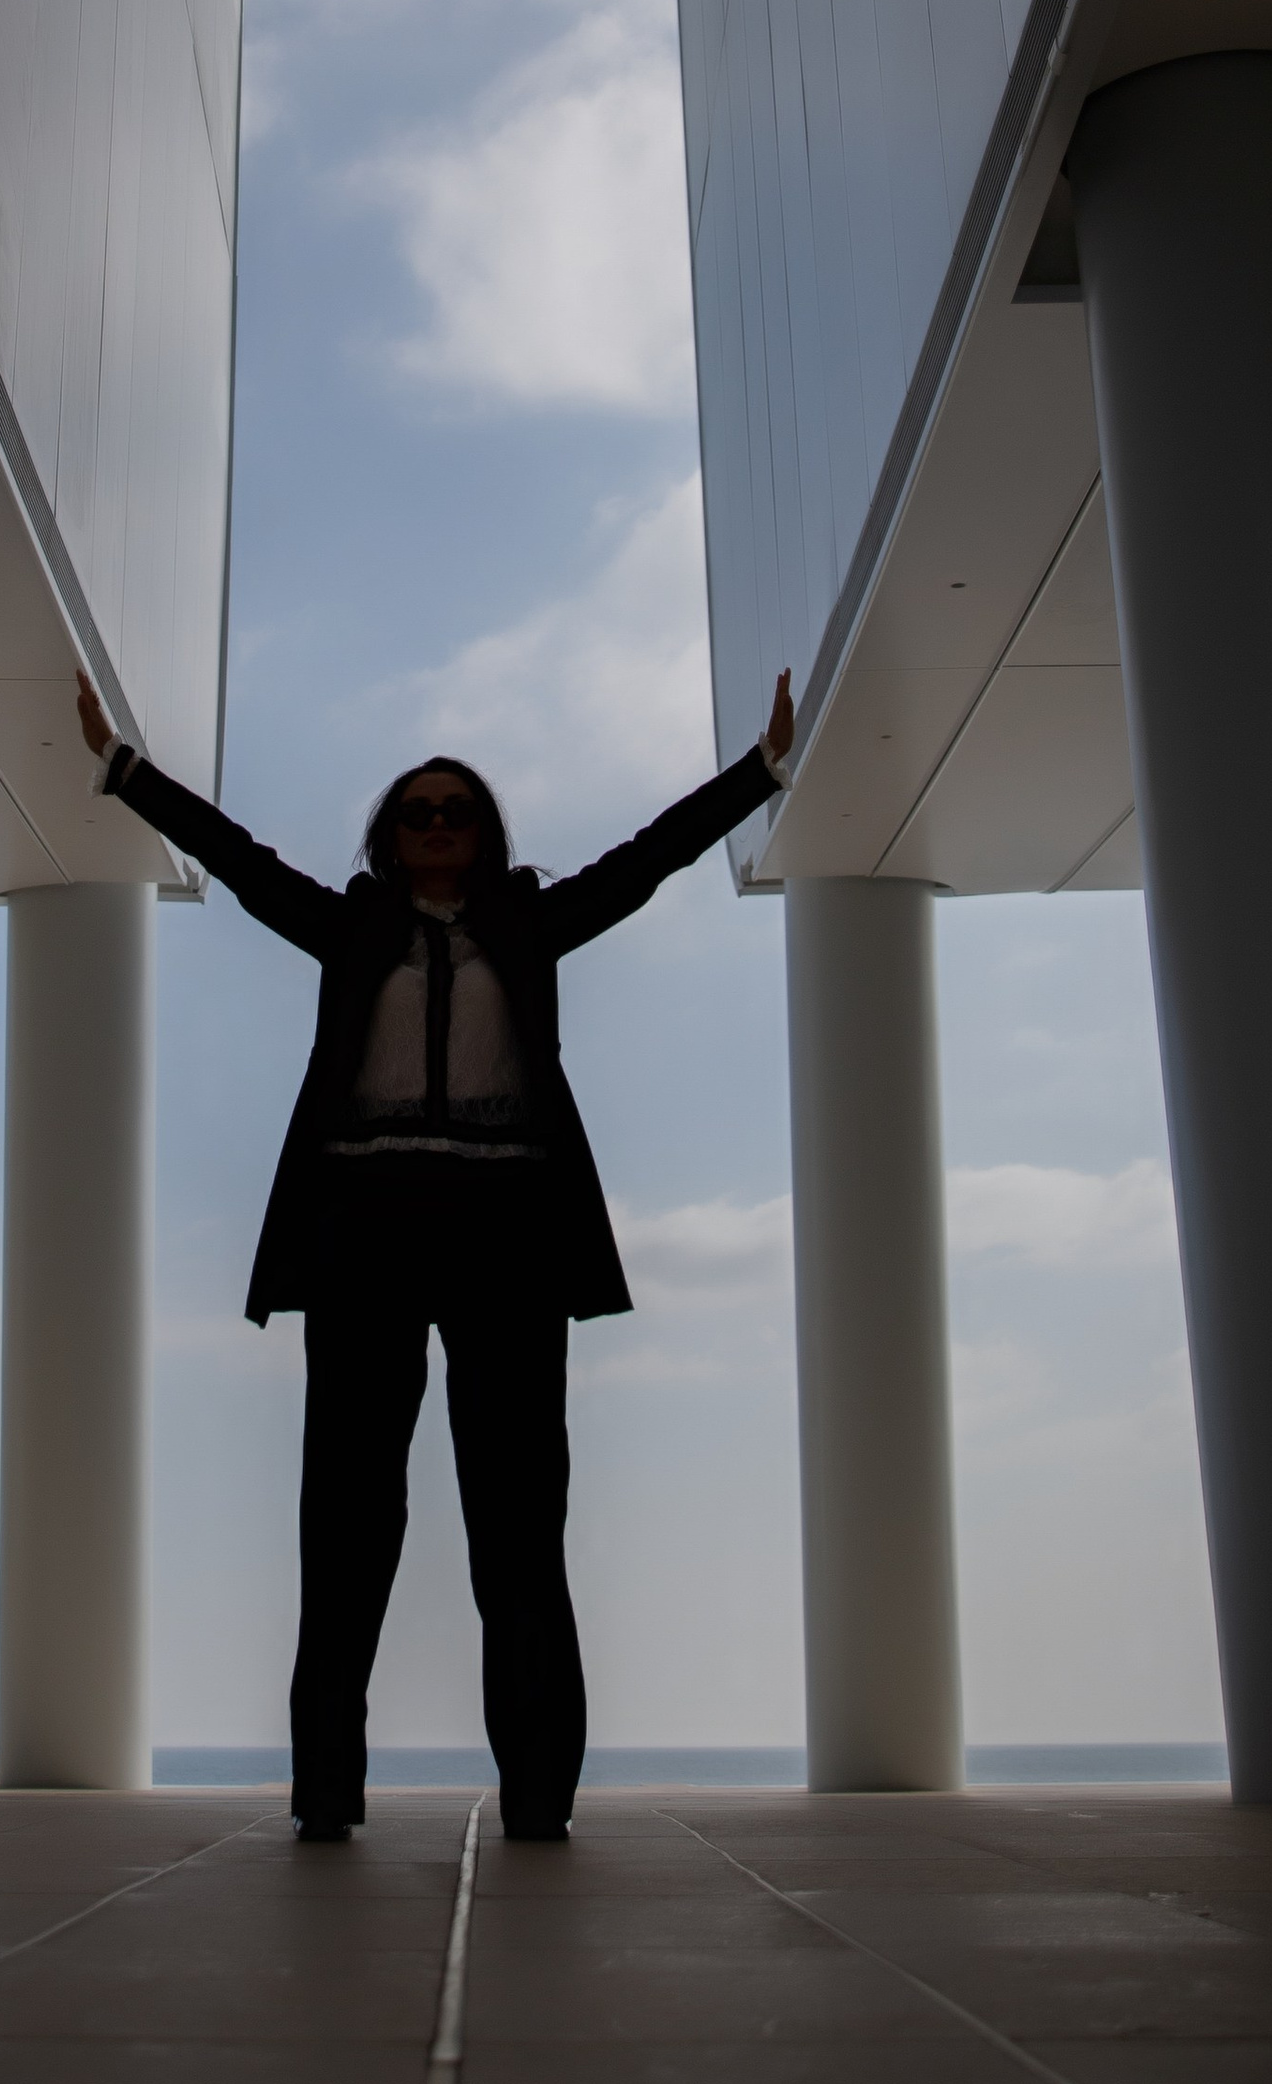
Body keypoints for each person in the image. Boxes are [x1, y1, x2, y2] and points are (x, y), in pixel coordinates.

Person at [73, 661, 798, 1842]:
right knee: (348, 1517)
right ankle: (324, 1797)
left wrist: (759, 773)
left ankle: (538, 1802)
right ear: (389, 836)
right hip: (365, 1227)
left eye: (456, 809)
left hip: (507, 1230)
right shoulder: (350, 925)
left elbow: (649, 858)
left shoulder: (531, 919)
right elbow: (243, 861)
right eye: (418, 811)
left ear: (485, 829)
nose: (438, 827)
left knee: (519, 1519)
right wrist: (124, 773)